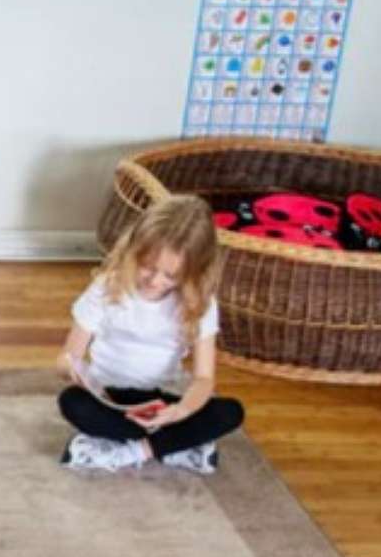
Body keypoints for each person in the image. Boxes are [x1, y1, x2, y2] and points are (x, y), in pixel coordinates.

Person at [56, 194, 245, 474]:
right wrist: (70, 368)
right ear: (133, 250)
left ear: (194, 272)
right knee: (72, 402)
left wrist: (180, 411)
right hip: (109, 396)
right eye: (147, 266)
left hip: (163, 401)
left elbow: (204, 379)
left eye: (171, 276)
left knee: (230, 412)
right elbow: (68, 356)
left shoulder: (200, 303)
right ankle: (173, 446)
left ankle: (132, 451)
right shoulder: (107, 288)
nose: (156, 281)